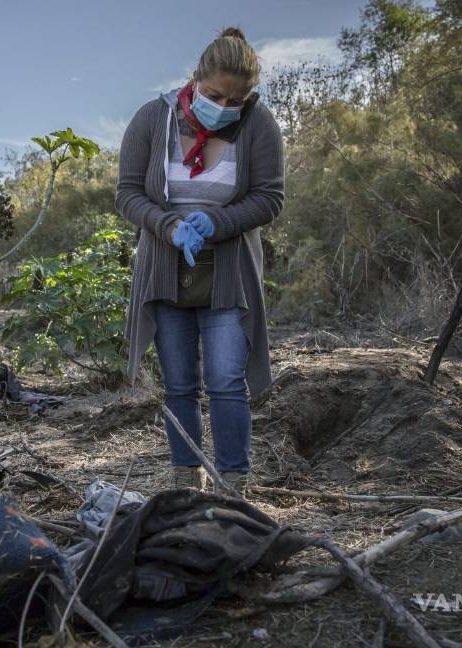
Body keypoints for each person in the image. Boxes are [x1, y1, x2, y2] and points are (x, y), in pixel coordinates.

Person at [115, 27, 284, 494]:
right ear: (195, 78)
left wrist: (216, 222)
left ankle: (233, 484)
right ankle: (185, 479)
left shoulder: (258, 124)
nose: (224, 107)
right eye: (214, 95)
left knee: (226, 379)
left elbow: (270, 198)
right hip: (165, 270)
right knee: (179, 383)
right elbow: (127, 193)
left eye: (236, 100)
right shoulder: (152, 119)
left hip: (228, 272)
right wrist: (168, 225)